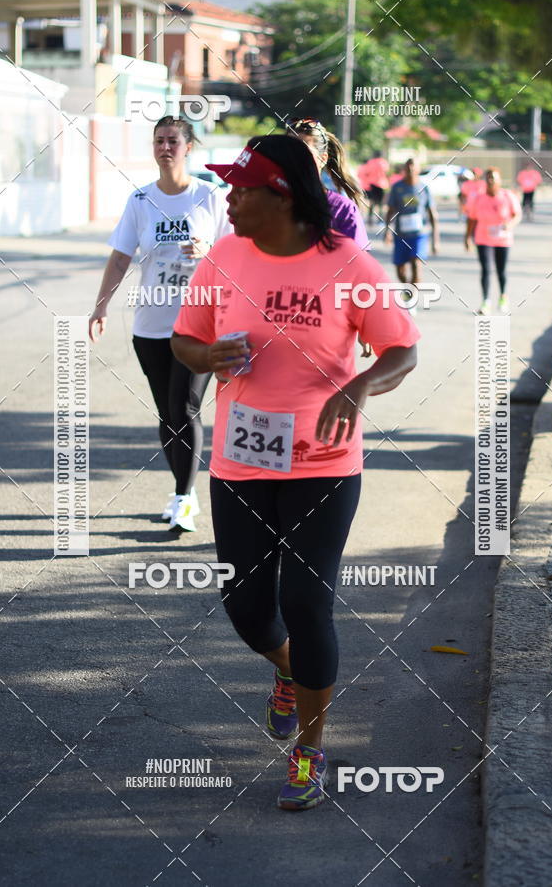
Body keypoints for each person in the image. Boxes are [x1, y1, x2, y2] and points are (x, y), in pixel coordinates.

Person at [170, 135, 420, 811]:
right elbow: (185, 339)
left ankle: (308, 751)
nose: (229, 198)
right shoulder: (224, 257)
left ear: (280, 196)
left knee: (309, 604)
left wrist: (361, 385)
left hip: (324, 464)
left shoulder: (349, 264)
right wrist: (206, 355)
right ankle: (289, 671)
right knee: (248, 610)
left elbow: (401, 349)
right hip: (242, 464)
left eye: (242, 188)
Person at [88, 116, 231, 533]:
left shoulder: (210, 197)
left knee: (185, 407)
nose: (165, 148)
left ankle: (184, 498)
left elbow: (238, 251)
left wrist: (208, 249)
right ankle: (182, 489)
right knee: (168, 413)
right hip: (151, 325)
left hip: (199, 323)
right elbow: (121, 257)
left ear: (189, 148)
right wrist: (100, 307)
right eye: (158, 141)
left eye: (173, 141)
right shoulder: (140, 200)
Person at [285, 117, 369, 250]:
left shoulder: (343, 209)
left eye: (304, 152)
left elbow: (357, 261)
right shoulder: (270, 205)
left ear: (323, 158)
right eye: (288, 151)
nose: (294, 159)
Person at [465, 167, 521, 315]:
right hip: (483, 238)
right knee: (486, 269)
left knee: (501, 270)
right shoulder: (479, 198)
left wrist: (510, 224)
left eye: (493, 178)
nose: (490, 181)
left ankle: (503, 296)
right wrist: (467, 237)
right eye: (488, 178)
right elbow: (471, 218)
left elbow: (517, 215)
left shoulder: (507, 196)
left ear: (499, 180)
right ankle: (486, 302)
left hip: (503, 239)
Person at [385, 158, 439, 296]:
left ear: (418, 169)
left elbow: (432, 214)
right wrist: (387, 231)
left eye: (413, 166)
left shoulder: (424, 188)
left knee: (416, 264)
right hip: (401, 234)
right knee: (400, 269)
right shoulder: (397, 188)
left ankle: (412, 294)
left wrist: (435, 240)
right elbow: (390, 211)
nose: (410, 169)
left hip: (419, 234)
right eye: (407, 166)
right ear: (404, 169)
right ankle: (407, 287)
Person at [357, 152, 389, 225]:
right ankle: (380, 220)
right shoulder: (383, 162)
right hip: (381, 184)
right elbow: (386, 171)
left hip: (372, 184)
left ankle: (370, 219)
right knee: (381, 203)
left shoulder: (370, 162)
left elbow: (366, 172)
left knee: (372, 202)